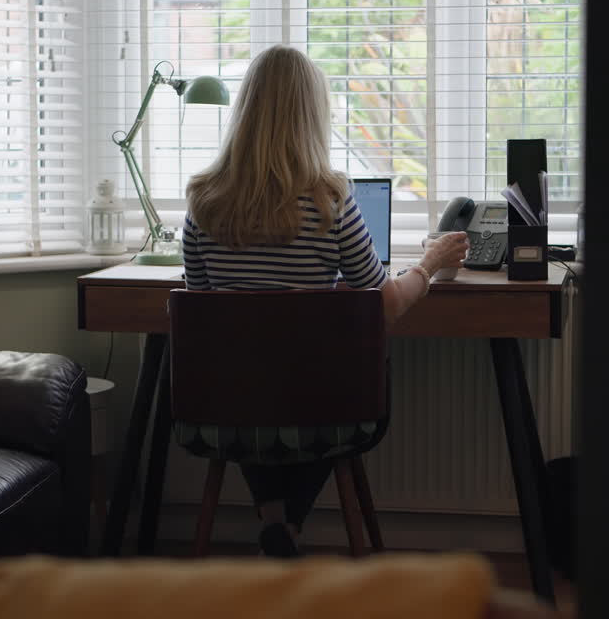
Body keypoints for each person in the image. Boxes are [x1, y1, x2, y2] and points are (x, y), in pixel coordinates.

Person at [181, 45, 469, 557]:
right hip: (325, 409)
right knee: (327, 385)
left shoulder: (203, 203)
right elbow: (385, 305)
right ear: (312, 115)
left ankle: (276, 517)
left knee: (250, 374)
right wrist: (430, 262)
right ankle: (287, 522)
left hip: (228, 411)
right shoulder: (329, 202)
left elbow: (206, 317)